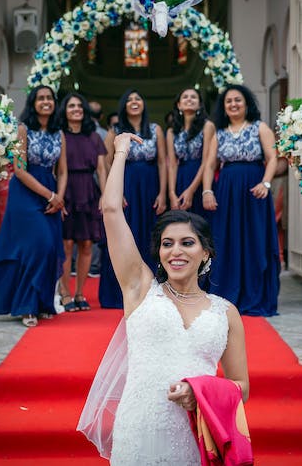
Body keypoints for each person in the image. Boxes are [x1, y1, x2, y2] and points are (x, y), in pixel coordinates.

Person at [78, 131, 249, 464]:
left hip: (196, 432)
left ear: (206, 252)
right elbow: (111, 210)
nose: (176, 251)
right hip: (140, 426)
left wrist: (200, 394)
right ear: (158, 253)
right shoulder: (140, 289)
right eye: (167, 243)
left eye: (187, 243)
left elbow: (240, 385)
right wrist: (121, 152)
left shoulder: (226, 313)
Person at [0, 85, 66, 327]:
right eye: (40, 98)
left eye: (49, 98)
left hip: (51, 190)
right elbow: (19, 170)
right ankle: (26, 306)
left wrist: (59, 197)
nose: (46, 101)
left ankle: (43, 304)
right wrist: (50, 195)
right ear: (33, 103)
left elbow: (63, 171)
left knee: (50, 248)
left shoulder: (59, 134)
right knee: (37, 246)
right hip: (25, 194)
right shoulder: (23, 130)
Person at [202, 84, 280, 317]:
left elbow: (272, 157)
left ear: (247, 104)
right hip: (226, 190)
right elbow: (209, 164)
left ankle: (255, 294)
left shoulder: (260, 128)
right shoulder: (220, 132)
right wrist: (207, 191)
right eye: (229, 101)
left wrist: (266, 183)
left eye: (238, 100)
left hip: (254, 191)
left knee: (254, 241)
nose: (233, 104)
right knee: (227, 240)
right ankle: (226, 293)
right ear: (223, 107)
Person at [99, 89, 167, 308]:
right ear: (123, 106)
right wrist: (113, 192)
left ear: (144, 104)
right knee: (123, 235)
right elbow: (106, 163)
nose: (134, 101)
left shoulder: (156, 130)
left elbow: (163, 163)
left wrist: (163, 192)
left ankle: (150, 289)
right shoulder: (115, 131)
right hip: (125, 185)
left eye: (138, 98)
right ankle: (117, 293)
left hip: (150, 186)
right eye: (129, 99)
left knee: (149, 236)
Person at [56, 92, 108, 312]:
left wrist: (106, 195)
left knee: (86, 244)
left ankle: (80, 293)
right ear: (65, 110)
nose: (76, 109)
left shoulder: (94, 137)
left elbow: (102, 168)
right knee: (66, 244)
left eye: (80, 105)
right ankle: (65, 292)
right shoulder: (59, 135)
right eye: (71, 106)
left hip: (88, 190)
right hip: (66, 189)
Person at [166, 87, 213, 218]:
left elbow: (206, 161)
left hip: (201, 177)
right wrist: (171, 193)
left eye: (193, 97)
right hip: (180, 177)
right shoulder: (171, 131)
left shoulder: (207, 126)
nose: (189, 99)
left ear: (199, 105)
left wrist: (191, 190)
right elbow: (172, 164)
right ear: (179, 105)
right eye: (185, 97)